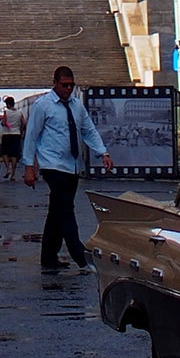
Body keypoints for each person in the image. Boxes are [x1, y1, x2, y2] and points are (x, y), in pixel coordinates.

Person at [22, 67, 112, 273]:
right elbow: (31, 136)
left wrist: (103, 152)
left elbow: (88, 130)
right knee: (65, 210)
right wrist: (29, 166)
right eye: (64, 85)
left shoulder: (76, 106)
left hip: (72, 165)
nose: (68, 89)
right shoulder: (42, 106)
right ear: (55, 83)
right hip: (52, 166)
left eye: (71, 85)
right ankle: (80, 256)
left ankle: (48, 257)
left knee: (57, 211)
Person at [0, 96, 24, 182]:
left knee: (5, 153)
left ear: (8, 104)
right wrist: (21, 130)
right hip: (16, 134)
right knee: (14, 154)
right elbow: (24, 122)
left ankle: (8, 168)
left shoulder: (6, 112)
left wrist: (4, 122)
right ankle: (13, 173)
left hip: (7, 134)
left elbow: (3, 122)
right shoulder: (20, 112)